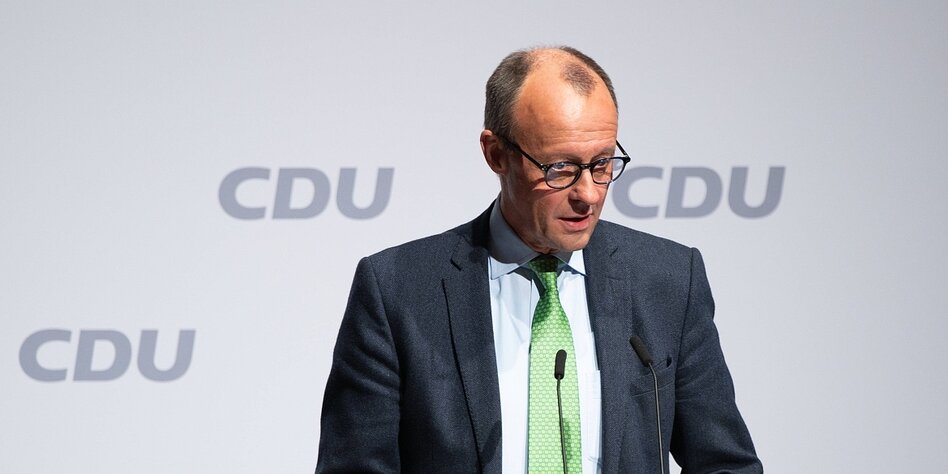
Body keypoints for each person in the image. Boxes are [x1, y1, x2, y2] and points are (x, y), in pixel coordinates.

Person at [316, 46, 761, 473]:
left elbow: (725, 463)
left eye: (602, 164)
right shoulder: (398, 291)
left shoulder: (668, 280)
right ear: (496, 154)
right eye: (560, 168)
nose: (588, 194)